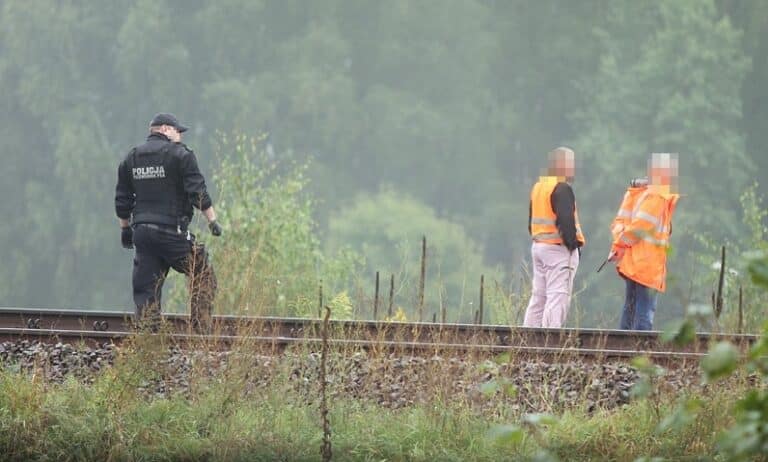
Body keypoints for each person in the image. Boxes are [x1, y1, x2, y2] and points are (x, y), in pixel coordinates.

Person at [115, 113, 222, 331]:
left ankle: (148, 335)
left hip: (142, 234)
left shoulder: (132, 157)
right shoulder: (180, 155)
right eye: (178, 131)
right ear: (165, 129)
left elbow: (122, 199)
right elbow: (197, 192)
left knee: (147, 286)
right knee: (201, 269)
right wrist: (212, 221)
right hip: (172, 232)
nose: (180, 136)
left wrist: (125, 230)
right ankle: (201, 327)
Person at [609, 153, 680, 330]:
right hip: (647, 264)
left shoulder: (639, 194)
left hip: (633, 261)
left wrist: (618, 246)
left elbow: (621, 223)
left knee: (631, 308)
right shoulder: (657, 195)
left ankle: (622, 350)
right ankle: (639, 352)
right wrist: (620, 246)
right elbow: (641, 227)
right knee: (644, 312)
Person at [523, 147, 586, 328]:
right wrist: (573, 245)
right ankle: (549, 343)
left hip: (539, 246)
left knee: (539, 298)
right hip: (558, 250)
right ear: (561, 165)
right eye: (571, 164)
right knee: (557, 296)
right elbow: (566, 220)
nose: (573, 169)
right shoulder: (561, 188)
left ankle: (527, 340)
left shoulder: (539, 187)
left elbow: (531, 221)